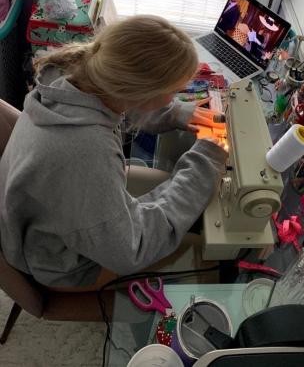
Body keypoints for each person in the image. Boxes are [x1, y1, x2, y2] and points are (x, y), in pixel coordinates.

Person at [0, 16, 227, 289]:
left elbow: (126, 104)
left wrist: (183, 114)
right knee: (204, 253)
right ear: (140, 91)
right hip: (59, 262)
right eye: (173, 92)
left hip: (42, 220)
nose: (173, 97)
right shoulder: (85, 151)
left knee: (177, 196)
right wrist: (206, 158)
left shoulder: (75, 74)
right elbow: (132, 250)